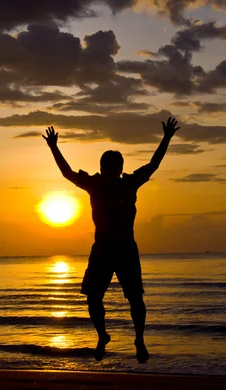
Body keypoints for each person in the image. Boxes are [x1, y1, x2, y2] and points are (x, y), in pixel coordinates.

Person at [43, 117, 179, 364]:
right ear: (104, 167)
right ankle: (103, 335)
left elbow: (153, 164)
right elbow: (67, 173)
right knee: (93, 297)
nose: (115, 169)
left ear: (120, 167)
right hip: (103, 249)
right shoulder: (94, 184)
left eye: (118, 165)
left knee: (135, 297)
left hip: (126, 247)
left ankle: (139, 340)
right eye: (111, 165)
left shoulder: (129, 183)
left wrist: (167, 138)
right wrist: (53, 147)